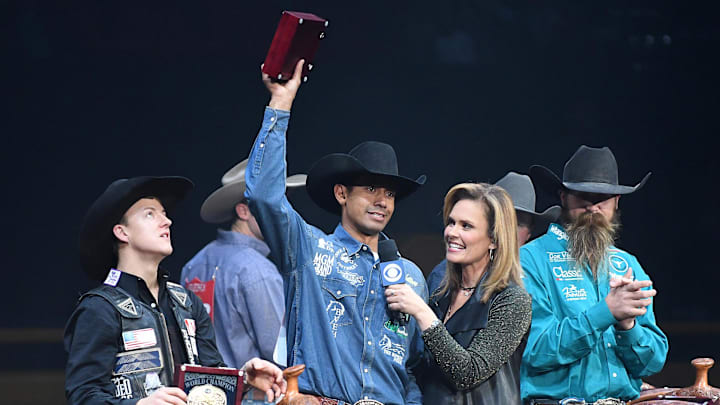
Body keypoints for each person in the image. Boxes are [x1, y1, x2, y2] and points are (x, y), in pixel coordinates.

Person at [244, 60, 429, 405]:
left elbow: (414, 367)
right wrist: (280, 103)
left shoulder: (412, 276)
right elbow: (263, 197)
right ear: (342, 193)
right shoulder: (309, 249)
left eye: (390, 193)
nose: (382, 201)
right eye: (371, 188)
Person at [64, 176, 286, 404]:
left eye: (164, 213)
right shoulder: (99, 308)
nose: (166, 221)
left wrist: (244, 378)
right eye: (150, 214)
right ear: (122, 232)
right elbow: (83, 396)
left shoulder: (186, 302)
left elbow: (208, 382)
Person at [520, 146, 668, 403]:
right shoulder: (530, 260)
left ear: (616, 202)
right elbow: (535, 351)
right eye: (583, 197)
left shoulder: (627, 264)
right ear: (563, 197)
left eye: (603, 198)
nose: (593, 207)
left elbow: (652, 362)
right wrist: (606, 313)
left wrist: (627, 326)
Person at [385, 182, 532, 405]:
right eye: (451, 222)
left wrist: (422, 313)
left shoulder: (512, 300)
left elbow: (468, 372)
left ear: (493, 239)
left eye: (466, 226)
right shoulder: (439, 292)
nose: (452, 233)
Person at [182, 158, 306, 370]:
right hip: (252, 395)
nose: (284, 212)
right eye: (274, 204)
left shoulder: (194, 264)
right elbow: (281, 353)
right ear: (243, 211)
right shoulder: (256, 269)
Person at [426, 171, 560, 290]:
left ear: (529, 233)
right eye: (503, 222)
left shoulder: (540, 279)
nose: (508, 231)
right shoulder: (444, 275)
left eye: (517, 224)